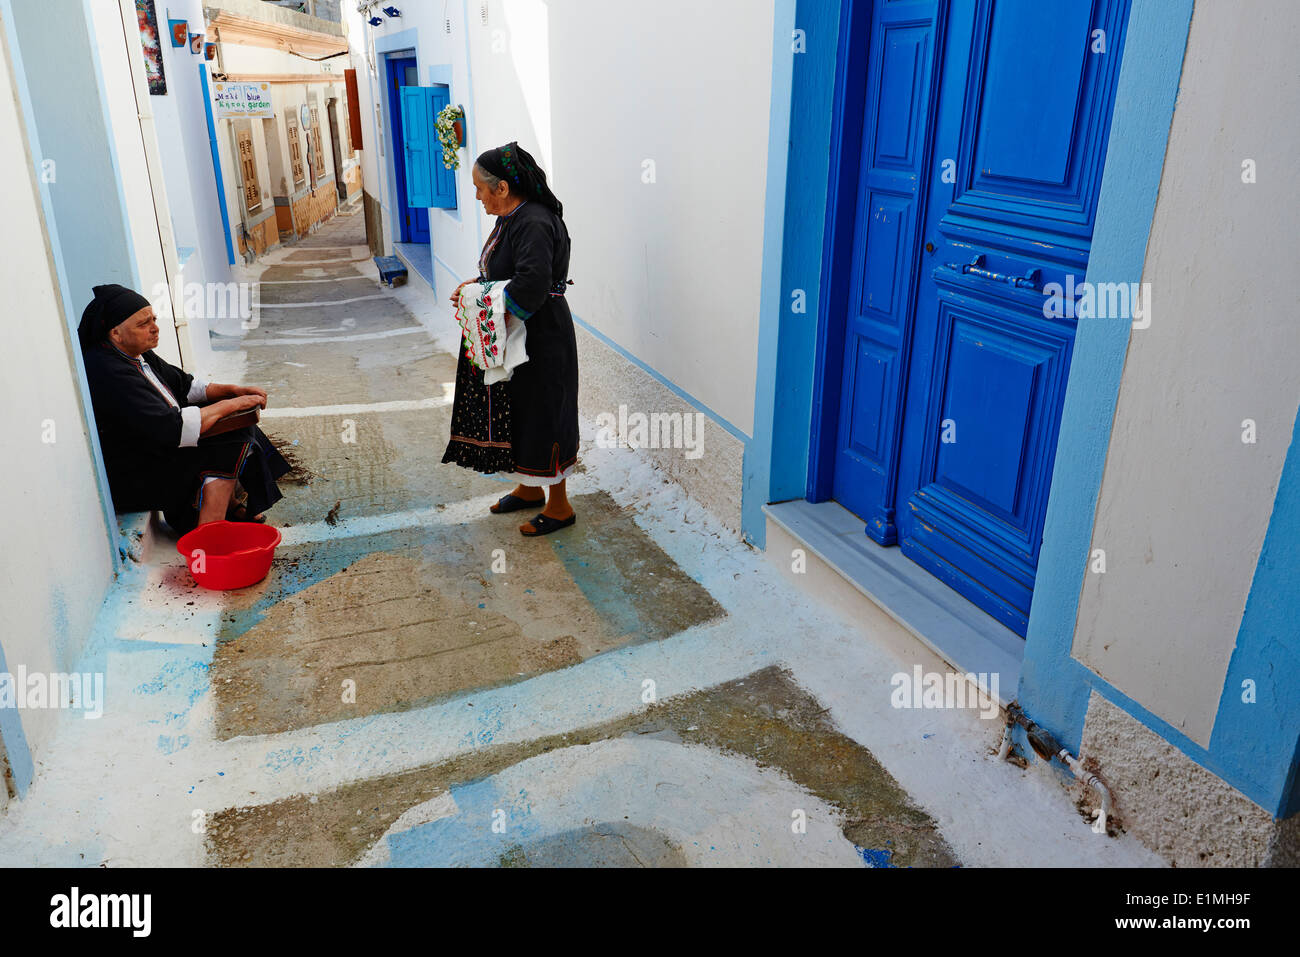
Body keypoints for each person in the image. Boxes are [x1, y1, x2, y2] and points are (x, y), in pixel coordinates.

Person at [442, 142, 580, 536]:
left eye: (480, 188)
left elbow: (532, 283)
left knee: (545, 413)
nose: (477, 196)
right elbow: (506, 273)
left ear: (502, 188)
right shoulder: (512, 217)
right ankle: (530, 487)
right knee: (519, 411)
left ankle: (559, 506)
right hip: (520, 333)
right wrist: (478, 288)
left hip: (540, 337)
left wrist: (487, 305)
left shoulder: (533, 221)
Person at [78, 283, 290, 535]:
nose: (155, 328)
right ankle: (209, 532)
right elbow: (173, 428)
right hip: (136, 478)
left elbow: (186, 385)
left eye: (154, 319)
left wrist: (233, 391)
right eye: (143, 324)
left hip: (157, 452)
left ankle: (227, 509)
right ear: (115, 333)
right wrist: (230, 404)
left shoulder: (137, 354)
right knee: (232, 437)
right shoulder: (108, 370)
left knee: (237, 420)